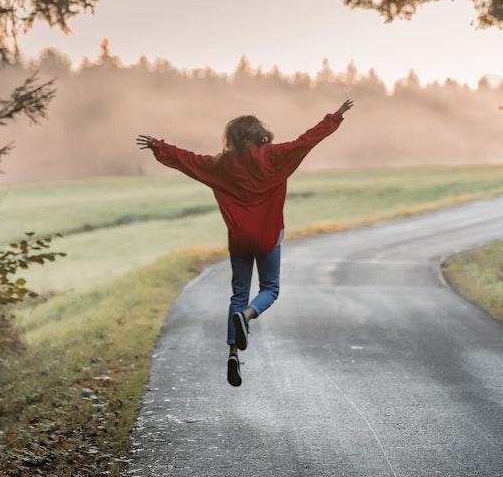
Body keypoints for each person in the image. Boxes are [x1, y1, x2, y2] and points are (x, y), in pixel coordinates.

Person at [136, 99, 353, 387]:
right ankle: (248, 316)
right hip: (267, 237)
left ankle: (233, 353)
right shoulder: (276, 156)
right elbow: (306, 141)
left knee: (238, 294)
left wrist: (158, 145)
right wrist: (334, 117)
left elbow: (188, 160)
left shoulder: (220, 165)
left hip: (239, 239)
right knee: (270, 289)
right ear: (258, 134)